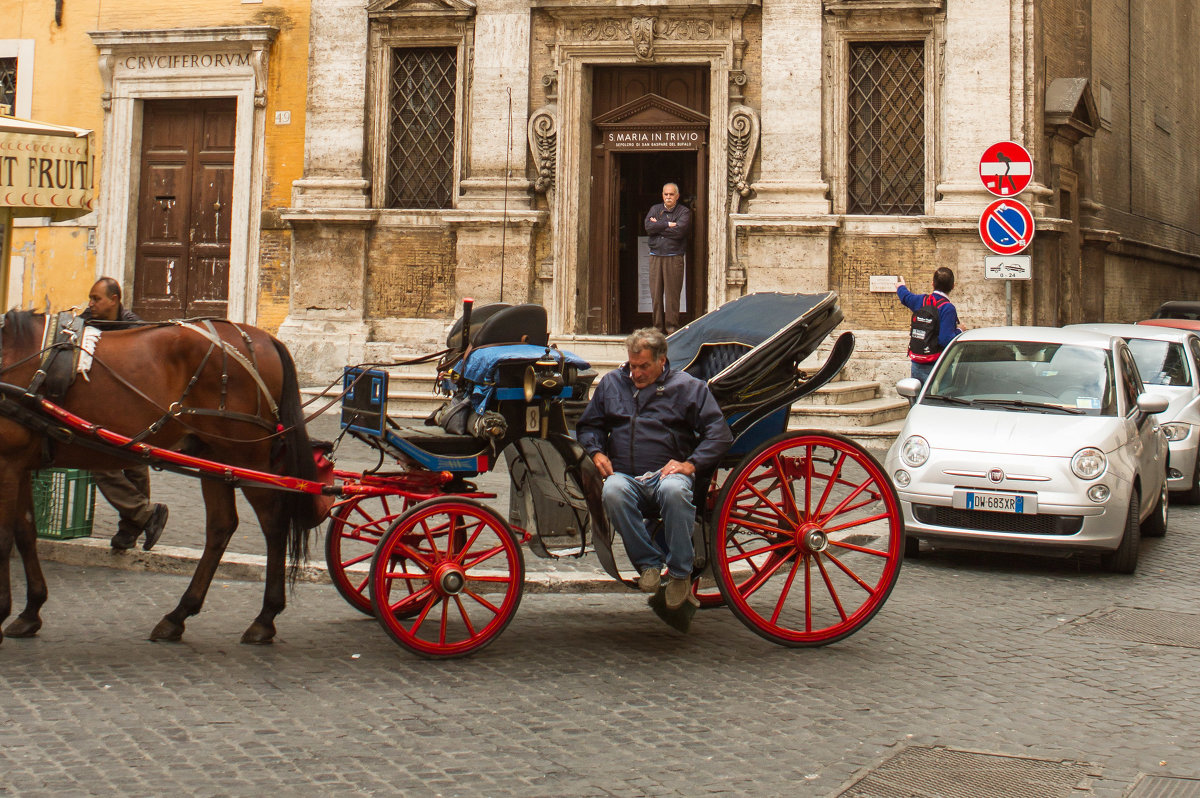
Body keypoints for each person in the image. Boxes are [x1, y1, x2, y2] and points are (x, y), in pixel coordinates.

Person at [576, 328, 732, 611]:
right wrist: (596, 451)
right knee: (612, 491)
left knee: (674, 491)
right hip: (626, 476)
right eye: (633, 366)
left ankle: (680, 573)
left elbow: (718, 433)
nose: (637, 373)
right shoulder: (612, 383)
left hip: (668, 476)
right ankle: (648, 564)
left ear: (662, 361)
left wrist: (690, 464)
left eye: (644, 366)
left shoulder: (687, 387)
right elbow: (590, 426)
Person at [81, 277, 169, 551]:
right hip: (98, 405)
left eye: (96, 299)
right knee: (100, 464)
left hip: (129, 407)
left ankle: (130, 529)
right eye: (91, 299)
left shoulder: (133, 328)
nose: (91, 304)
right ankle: (144, 515)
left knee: (135, 466)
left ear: (114, 299)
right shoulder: (84, 323)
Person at [896, 267, 964, 386]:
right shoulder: (947, 308)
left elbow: (906, 297)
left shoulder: (921, 301)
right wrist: (960, 330)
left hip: (917, 362)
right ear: (953, 286)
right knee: (940, 401)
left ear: (932, 284)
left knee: (918, 399)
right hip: (939, 366)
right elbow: (945, 339)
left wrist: (900, 287)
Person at [643, 182, 691, 335]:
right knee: (655, 295)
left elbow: (680, 232)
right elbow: (648, 228)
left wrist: (659, 226)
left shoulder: (684, 212)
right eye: (666, 194)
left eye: (671, 194)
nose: (668, 197)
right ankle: (657, 329)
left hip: (674, 256)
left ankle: (672, 329)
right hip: (656, 256)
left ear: (677, 196)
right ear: (662, 195)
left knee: (672, 296)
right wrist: (668, 224)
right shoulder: (655, 209)